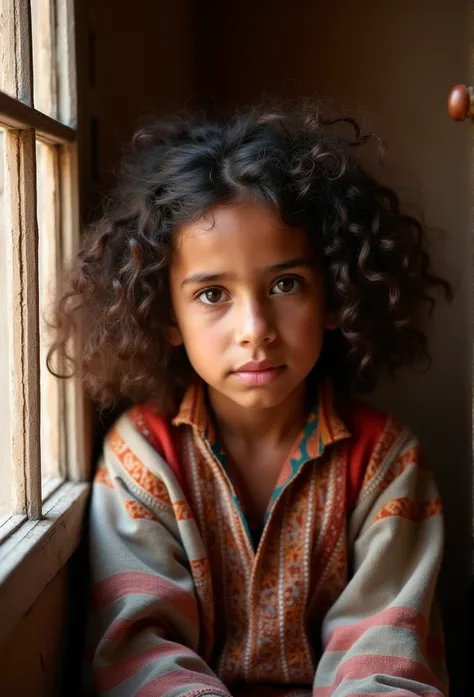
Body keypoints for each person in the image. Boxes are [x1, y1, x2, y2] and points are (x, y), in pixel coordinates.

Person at [48, 102, 452, 697]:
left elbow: (388, 656)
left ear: (337, 293)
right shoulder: (143, 457)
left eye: (286, 284)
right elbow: (139, 654)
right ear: (166, 317)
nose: (255, 328)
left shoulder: (386, 463)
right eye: (213, 294)